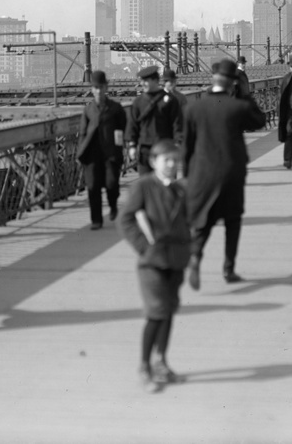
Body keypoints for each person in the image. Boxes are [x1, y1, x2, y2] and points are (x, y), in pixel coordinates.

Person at [184, 59, 267, 287]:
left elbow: (187, 147)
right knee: (232, 221)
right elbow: (260, 120)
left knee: (204, 221)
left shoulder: (194, 108)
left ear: (212, 80)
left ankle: (195, 255)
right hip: (232, 173)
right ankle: (228, 269)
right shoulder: (237, 107)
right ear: (232, 84)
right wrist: (246, 94)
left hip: (202, 174)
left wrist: (186, 176)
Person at [118, 139, 192, 393]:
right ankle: (144, 367)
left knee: (169, 310)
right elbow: (125, 219)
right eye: (166, 160)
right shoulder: (143, 186)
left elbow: (189, 220)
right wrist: (144, 247)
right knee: (156, 312)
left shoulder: (181, 188)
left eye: (175, 160)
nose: (172, 164)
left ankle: (161, 362)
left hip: (176, 259)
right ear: (154, 162)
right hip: (152, 262)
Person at [76, 70, 127, 230]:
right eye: (95, 87)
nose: (98, 90)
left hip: (110, 153)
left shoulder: (116, 108)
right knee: (93, 187)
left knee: (112, 184)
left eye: (101, 87)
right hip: (92, 154)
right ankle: (96, 220)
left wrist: (120, 149)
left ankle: (113, 205)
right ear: (92, 89)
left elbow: (122, 129)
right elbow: (83, 133)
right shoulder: (88, 109)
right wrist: (80, 152)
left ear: (106, 88)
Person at [126, 66, 183, 175]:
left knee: (166, 184)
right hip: (145, 150)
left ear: (155, 81)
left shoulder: (170, 100)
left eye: (146, 81)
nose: (142, 84)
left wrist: (178, 143)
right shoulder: (138, 102)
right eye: (142, 81)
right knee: (146, 184)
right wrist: (132, 145)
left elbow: (177, 124)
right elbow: (132, 125)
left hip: (165, 148)